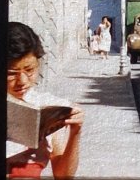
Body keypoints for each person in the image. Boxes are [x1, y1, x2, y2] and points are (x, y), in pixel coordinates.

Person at [6, 22, 85, 178]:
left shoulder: (48, 107)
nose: (22, 81)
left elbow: (63, 175)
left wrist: (76, 132)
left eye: (29, 70)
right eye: (12, 73)